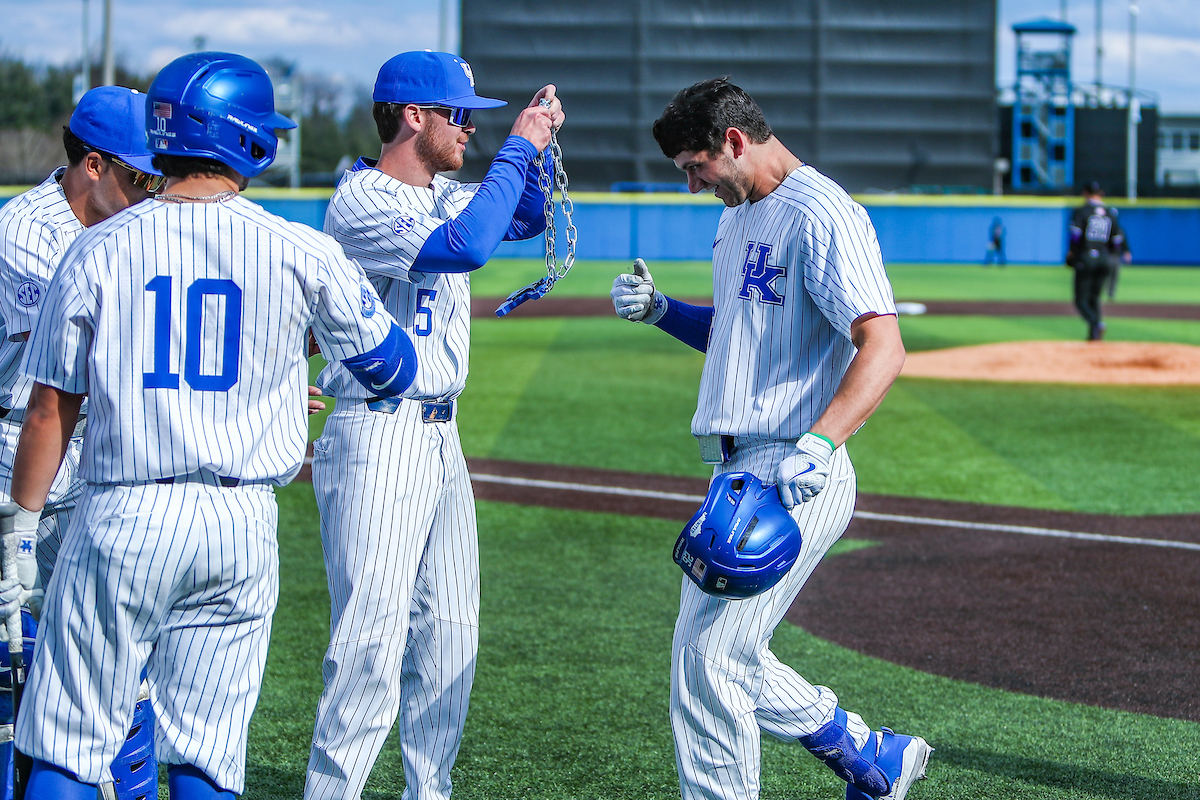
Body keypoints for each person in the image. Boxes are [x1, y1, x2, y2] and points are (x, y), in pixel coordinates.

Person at [0, 51, 415, 800]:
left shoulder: (96, 245)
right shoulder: (299, 247)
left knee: (67, 739)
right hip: (239, 520)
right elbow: (394, 368)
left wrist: (22, 532)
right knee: (206, 755)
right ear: (251, 142)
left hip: (122, 511)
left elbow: (48, 407)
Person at [610, 77, 931, 800]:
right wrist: (663, 311)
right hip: (737, 472)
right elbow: (738, 333)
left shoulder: (822, 213)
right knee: (718, 654)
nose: (693, 187)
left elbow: (882, 345)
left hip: (794, 468)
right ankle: (868, 754)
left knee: (709, 662)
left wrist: (818, 445)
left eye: (696, 168)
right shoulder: (740, 214)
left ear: (733, 141)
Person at [304, 51, 563, 800]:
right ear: (411, 116)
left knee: (450, 635)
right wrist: (520, 145)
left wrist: (538, 145)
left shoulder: (445, 192)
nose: (470, 128)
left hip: (439, 434)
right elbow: (468, 247)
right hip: (375, 432)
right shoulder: (362, 200)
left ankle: (431, 790)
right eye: (459, 115)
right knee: (370, 645)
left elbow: (519, 215)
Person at [0, 84, 165, 800]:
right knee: (13, 655)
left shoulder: (131, 225)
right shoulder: (25, 232)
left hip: (91, 453)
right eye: (137, 177)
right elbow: (77, 358)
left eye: (156, 178)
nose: (148, 191)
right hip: (14, 449)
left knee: (115, 647)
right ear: (91, 166)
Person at [1066, 181, 1130, 341]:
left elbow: (1075, 236)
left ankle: (1096, 324)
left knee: (1080, 300)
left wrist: (1072, 253)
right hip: (1104, 259)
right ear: (1101, 194)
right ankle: (1094, 335)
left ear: (1085, 193)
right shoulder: (1111, 213)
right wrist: (1113, 256)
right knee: (1094, 298)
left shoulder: (1082, 211)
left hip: (1086, 257)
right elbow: (1117, 240)